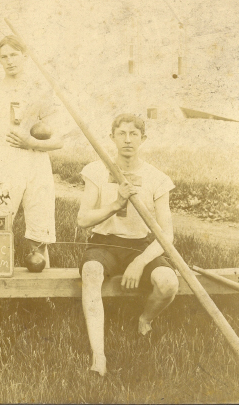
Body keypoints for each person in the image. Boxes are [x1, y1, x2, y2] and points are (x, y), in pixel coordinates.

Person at [77, 113, 179, 376]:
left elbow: (167, 234)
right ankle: (98, 355)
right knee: (90, 273)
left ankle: (145, 319)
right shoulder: (95, 171)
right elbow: (83, 220)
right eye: (121, 133)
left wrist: (140, 261)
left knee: (169, 282)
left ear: (143, 139)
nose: (127, 140)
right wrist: (115, 204)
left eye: (134, 134)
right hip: (105, 243)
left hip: (140, 246)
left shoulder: (157, 178)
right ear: (112, 138)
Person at [0, 35, 64, 272]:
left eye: (14, 55)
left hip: (35, 161)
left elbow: (58, 140)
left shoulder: (41, 90)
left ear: (25, 55)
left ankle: (44, 292)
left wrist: (30, 142)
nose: (9, 61)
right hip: (3, 161)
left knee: (40, 227)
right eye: (4, 56)